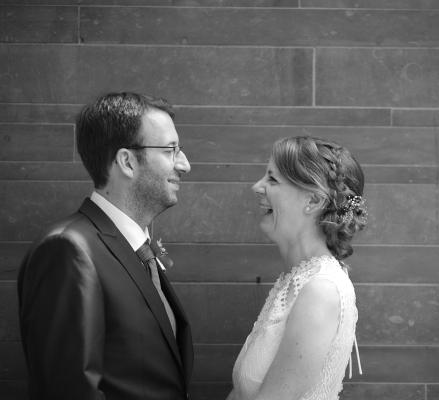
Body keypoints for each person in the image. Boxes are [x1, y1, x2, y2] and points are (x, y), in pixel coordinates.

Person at [18, 92, 194, 399]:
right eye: (170, 150)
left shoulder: (139, 250)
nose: (185, 164)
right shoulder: (68, 249)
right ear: (127, 161)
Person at [228, 136, 368, 400]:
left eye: (272, 179)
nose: (257, 187)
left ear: (313, 201)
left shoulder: (321, 291)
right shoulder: (298, 279)